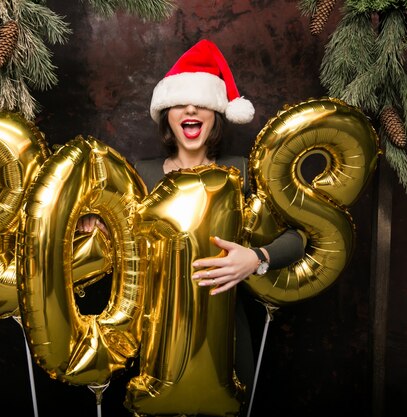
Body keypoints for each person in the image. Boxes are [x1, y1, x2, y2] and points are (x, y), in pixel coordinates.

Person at [78, 39, 306, 415]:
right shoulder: (142, 174)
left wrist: (256, 258)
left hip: (227, 342)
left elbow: (295, 238)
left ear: (216, 114)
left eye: (202, 103)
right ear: (167, 114)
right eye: (182, 103)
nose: (190, 109)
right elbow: (124, 245)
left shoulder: (241, 172)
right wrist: (96, 226)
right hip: (154, 340)